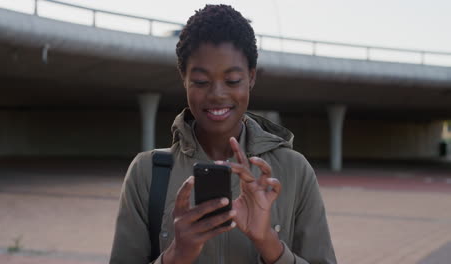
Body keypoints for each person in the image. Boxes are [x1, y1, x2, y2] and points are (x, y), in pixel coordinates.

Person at [110, 4, 337, 264]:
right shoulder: (147, 173)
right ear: (184, 78)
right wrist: (175, 255)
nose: (217, 94)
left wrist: (268, 243)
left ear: (251, 77)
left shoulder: (294, 170)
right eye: (201, 81)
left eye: (232, 81)